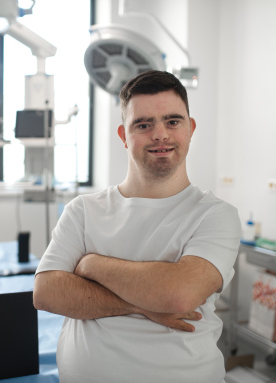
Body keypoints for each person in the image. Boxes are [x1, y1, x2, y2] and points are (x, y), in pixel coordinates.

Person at [33, 70, 241, 382]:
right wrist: (146, 306)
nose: (160, 134)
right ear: (123, 136)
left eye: (172, 121)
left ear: (191, 128)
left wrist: (91, 264)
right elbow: (47, 292)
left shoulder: (214, 215)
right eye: (144, 125)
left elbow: (180, 294)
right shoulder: (83, 210)